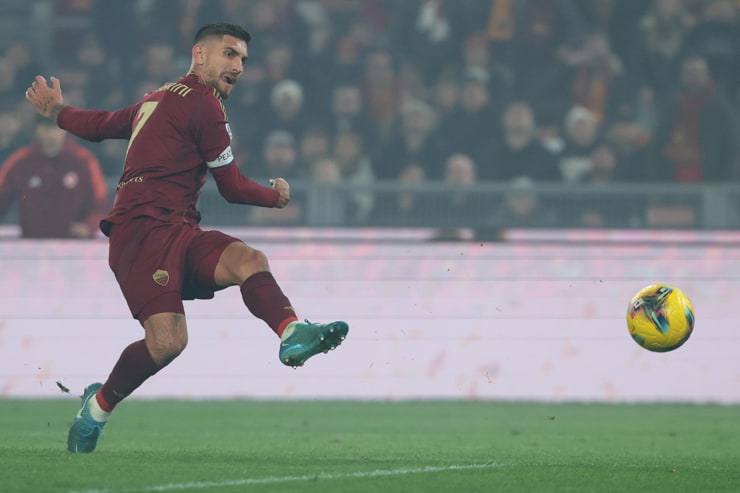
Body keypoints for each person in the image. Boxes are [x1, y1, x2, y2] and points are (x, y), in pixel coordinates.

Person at [24, 22, 349, 454]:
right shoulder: (203, 105)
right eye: (230, 54)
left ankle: (291, 333)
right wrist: (277, 196)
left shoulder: (157, 99)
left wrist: (57, 112)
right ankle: (96, 408)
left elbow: (101, 123)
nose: (239, 66)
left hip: (178, 229)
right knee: (168, 343)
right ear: (200, 55)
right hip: (139, 232)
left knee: (248, 259)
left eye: (244, 60)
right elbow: (231, 188)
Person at [0, 116, 108, 238]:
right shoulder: (20, 161)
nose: (52, 135)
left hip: (76, 248)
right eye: (46, 129)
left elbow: (100, 204)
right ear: (37, 130)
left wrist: (88, 226)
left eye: (57, 129)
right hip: (32, 246)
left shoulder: (85, 161)